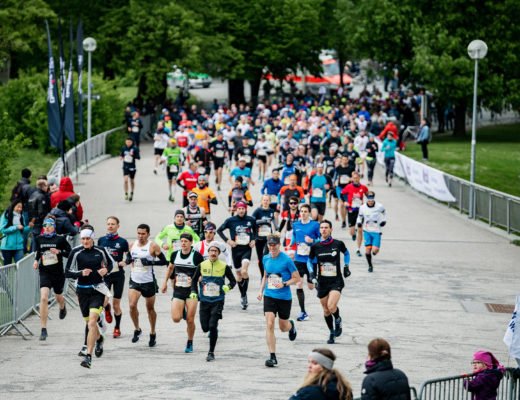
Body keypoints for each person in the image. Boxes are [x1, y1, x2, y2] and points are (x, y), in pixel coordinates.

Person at [65, 225, 115, 368]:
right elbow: (67, 272)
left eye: (88, 238)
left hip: (97, 290)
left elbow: (111, 264)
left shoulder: (101, 250)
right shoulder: (75, 252)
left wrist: (106, 269)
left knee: (92, 322)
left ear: (92, 239)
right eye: (83, 239)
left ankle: (88, 356)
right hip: (82, 291)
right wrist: (80, 273)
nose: (85, 241)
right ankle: (99, 339)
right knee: (89, 323)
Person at [257, 234, 300, 367]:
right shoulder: (265, 258)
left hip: (284, 297)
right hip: (269, 295)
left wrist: (285, 284)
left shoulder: (286, 260)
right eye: (270, 244)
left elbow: (296, 278)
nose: (272, 247)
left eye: (274, 244)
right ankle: (272, 356)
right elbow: (265, 276)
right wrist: (260, 291)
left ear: (279, 245)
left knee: (283, 327)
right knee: (269, 324)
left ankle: (291, 326)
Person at [190, 241, 237, 361]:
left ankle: (211, 352)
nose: (213, 253)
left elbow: (233, 281)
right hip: (204, 301)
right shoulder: (202, 265)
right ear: (208, 252)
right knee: (205, 327)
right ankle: (211, 330)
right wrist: (194, 292)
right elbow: (194, 280)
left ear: (219, 253)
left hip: (218, 300)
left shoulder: (223, 266)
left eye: (216, 251)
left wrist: (228, 287)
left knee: (212, 326)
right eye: (211, 251)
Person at [308, 220, 350, 344]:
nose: (324, 230)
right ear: (319, 230)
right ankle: (331, 332)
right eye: (321, 228)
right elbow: (309, 261)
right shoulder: (315, 246)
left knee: (332, 306)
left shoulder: (338, 244)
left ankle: (338, 319)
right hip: (322, 281)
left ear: (331, 229)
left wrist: (346, 266)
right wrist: (311, 273)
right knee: (326, 310)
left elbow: (346, 254)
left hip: (336, 280)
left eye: (326, 227)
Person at [161, 233, 205, 353]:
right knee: (176, 318)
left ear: (191, 243)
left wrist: (198, 279)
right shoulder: (175, 254)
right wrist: (164, 282)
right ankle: (182, 311)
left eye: (186, 241)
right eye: (182, 241)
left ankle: (190, 342)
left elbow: (203, 273)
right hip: (179, 290)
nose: (183, 243)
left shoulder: (196, 256)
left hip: (192, 291)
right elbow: (170, 268)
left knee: (190, 320)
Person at [127, 224, 166, 347]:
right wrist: (125, 262)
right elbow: (129, 258)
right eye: (138, 233)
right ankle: (137, 329)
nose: (140, 236)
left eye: (143, 233)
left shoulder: (153, 245)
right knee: (132, 305)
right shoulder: (132, 245)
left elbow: (164, 261)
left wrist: (150, 262)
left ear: (148, 234)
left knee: (150, 309)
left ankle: (153, 332)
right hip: (134, 280)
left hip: (148, 282)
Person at [32, 215, 71, 340]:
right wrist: (36, 260)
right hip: (44, 272)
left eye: (49, 225)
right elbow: (38, 252)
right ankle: (43, 329)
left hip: (58, 273)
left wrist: (59, 252)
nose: (46, 228)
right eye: (44, 225)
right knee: (43, 298)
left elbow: (70, 252)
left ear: (53, 227)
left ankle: (62, 306)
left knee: (58, 295)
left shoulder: (60, 239)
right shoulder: (39, 238)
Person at [217, 201, 257, 310]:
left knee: (244, 271)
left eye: (243, 208)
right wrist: (228, 240)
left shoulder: (251, 220)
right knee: (239, 275)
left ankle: (244, 296)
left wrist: (254, 240)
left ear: (245, 209)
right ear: (236, 209)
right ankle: (243, 295)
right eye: (239, 208)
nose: (241, 210)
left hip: (246, 249)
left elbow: (256, 230)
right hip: (236, 250)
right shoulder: (231, 221)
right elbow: (219, 230)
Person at [97, 216, 129, 338]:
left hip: (118, 275)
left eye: (113, 224)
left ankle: (117, 327)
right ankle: (106, 308)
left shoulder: (122, 242)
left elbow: (129, 256)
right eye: (108, 224)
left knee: (116, 304)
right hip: (105, 275)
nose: (110, 226)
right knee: (104, 301)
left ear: (118, 226)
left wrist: (125, 262)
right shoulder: (101, 240)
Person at [291, 204, 320, 322]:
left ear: (309, 213)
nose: (303, 213)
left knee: (311, 286)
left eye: (305, 211)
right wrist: (290, 245)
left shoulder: (315, 225)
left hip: (311, 260)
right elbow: (294, 237)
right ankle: (303, 312)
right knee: (298, 284)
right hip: (298, 259)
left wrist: (312, 241)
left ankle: (325, 296)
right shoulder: (295, 224)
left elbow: (321, 240)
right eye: (301, 211)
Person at [289, 348, 353, 400]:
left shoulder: (311, 391)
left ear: (324, 367)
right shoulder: (341, 387)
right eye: (309, 362)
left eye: (315, 363)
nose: (309, 366)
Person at [357, 192, 386, 273]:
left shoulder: (379, 206)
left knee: (375, 250)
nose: (370, 202)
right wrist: (359, 222)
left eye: (372, 200)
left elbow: (384, 213)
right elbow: (359, 216)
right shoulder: (362, 207)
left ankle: (374, 252)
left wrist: (384, 221)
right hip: (367, 231)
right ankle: (370, 265)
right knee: (367, 251)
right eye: (369, 200)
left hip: (376, 231)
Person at [341, 172, 369, 257]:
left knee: (360, 230)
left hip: (360, 211)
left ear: (359, 178)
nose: (356, 179)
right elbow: (342, 194)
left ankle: (358, 249)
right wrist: (345, 201)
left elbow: (369, 196)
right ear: (352, 179)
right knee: (352, 231)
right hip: (351, 210)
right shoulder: (349, 187)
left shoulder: (363, 187)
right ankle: (353, 234)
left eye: (357, 178)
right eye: (354, 178)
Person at [252, 195, 277, 277]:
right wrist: (261, 222)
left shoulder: (271, 211)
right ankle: (263, 275)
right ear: (261, 201)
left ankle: (268, 274)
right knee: (260, 259)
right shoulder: (257, 211)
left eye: (267, 200)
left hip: (268, 239)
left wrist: (275, 232)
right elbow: (252, 223)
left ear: (269, 201)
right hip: (259, 239)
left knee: (266, 256)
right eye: (264, 200)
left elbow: (274, 224)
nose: (266, 202)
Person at [1, 200, 32, 264]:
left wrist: (29, 227)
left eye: (21, 207)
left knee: (20, 267)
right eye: (18, 207)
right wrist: (15, 227)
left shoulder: (21, 216)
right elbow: (2, 229)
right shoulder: (6, 215)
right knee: (7, 269)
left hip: (19, 246)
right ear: (13, 206)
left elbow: (22, 231)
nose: (20, 209)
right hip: (7, 247)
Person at [120, 137, 141, 201]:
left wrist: (133, 155)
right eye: (127, 142)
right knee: (125, 180)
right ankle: (126, 193)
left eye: (129, 142)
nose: (128, 143)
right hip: (125, 165)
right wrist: (121, 157)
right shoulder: (124, 148)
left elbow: (138, 158)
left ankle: (132, 192)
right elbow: (122, 155)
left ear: (131, 142)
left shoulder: (135, 148)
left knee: (131, 180)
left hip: (132, 166)